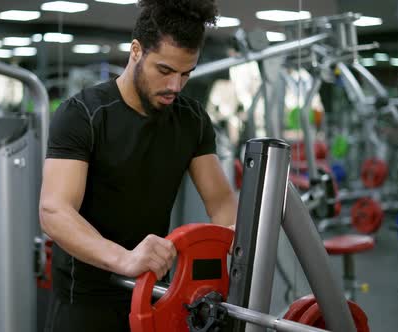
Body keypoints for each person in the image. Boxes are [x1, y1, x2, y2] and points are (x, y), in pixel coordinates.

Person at [39, 0, 238, 331]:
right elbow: (54, 211)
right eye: (164, 70)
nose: (175, 86)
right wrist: (124, 258)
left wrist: (236, 258)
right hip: (86, 299)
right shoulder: (83, 114)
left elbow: (222, 204)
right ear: (136, 51)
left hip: (156, 292)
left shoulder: (191, 119)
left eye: (185, 74)